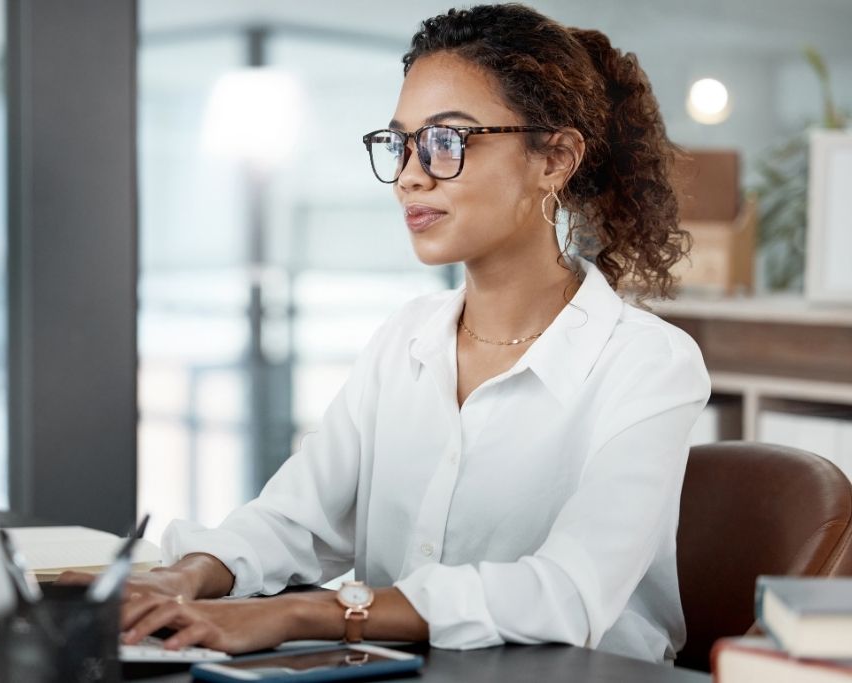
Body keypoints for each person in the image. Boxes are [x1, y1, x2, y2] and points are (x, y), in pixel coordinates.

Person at [61, 3, 710, 664]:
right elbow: (296, 518)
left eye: (446, 142)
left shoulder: (647, 363)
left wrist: (300, 613)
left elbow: (567, 592)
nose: (409, 175)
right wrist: (180, 578)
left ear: (555, 158)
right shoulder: (407, 338)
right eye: (400, 143)